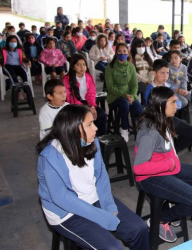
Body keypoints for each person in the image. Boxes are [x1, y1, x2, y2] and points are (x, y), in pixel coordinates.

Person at [37, 105, 149, 250]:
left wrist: (108, 204)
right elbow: (62, 199)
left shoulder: (91, 142)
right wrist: (101, 216)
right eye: (89, 125)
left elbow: (101, 174)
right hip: (65, 212)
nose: (95, 128)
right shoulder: (50, 157)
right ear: (72, 129)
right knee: (112, 248)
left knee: (139, 228)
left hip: (93, 197)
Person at [134, 86, 192, 243]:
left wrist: (171, 162)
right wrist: (169, 163)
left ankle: (174, 203)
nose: (177, 106)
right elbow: (138, 168)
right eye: (173, 102)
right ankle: (160, 219)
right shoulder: (149, 132)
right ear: (160, 105)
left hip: (168, 168)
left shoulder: (164, 119)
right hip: (150, 178)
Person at [145, 60, 192, 151]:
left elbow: (177, 99)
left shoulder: (167, 85)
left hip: (170, 118)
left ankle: (172, 150)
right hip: (160, 121)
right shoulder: (151, 91)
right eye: (162, 73)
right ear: (154, 73)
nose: (165, 76)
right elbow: (152, 111)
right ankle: (172, 151)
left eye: (167, 73)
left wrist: (175, 105)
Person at [106, 43, 142, 142]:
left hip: (128, 96)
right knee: (124, 104)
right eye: (119, 51)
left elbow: (134, 85)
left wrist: (132, 96)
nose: (122, 54)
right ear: (116, 53)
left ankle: (143, 132)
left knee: (140, 110)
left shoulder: (131, 66)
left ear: (128, 53)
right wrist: (124, 95)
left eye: (124, 51)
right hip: (115, 96)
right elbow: (110, 86)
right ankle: (124, 129)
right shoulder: (110, 67)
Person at [63, 54, 107, 136]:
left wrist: (92, 106)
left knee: (101, 114)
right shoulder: (67, 79)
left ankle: (99, 139)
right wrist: (85, 107)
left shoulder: (89, 77)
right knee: (84, 118)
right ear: (73, 67)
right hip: (74, 105)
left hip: (87, 103)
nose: (82, 67)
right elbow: (69, 98)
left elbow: (91, 93)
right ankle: (84, 139)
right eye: (78, 65)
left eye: (84, 64)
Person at [131, 39, 154, 105]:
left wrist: (150, 80)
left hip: (148, 80)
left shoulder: (147, 57)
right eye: (139, 46)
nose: (141, 48)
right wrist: (146, 81)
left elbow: (151, 70)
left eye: (143, 46)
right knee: (148, 90)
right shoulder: (132, 58)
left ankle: (147, 106)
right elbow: (134, 74)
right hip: (137, 81)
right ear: (134, 47)